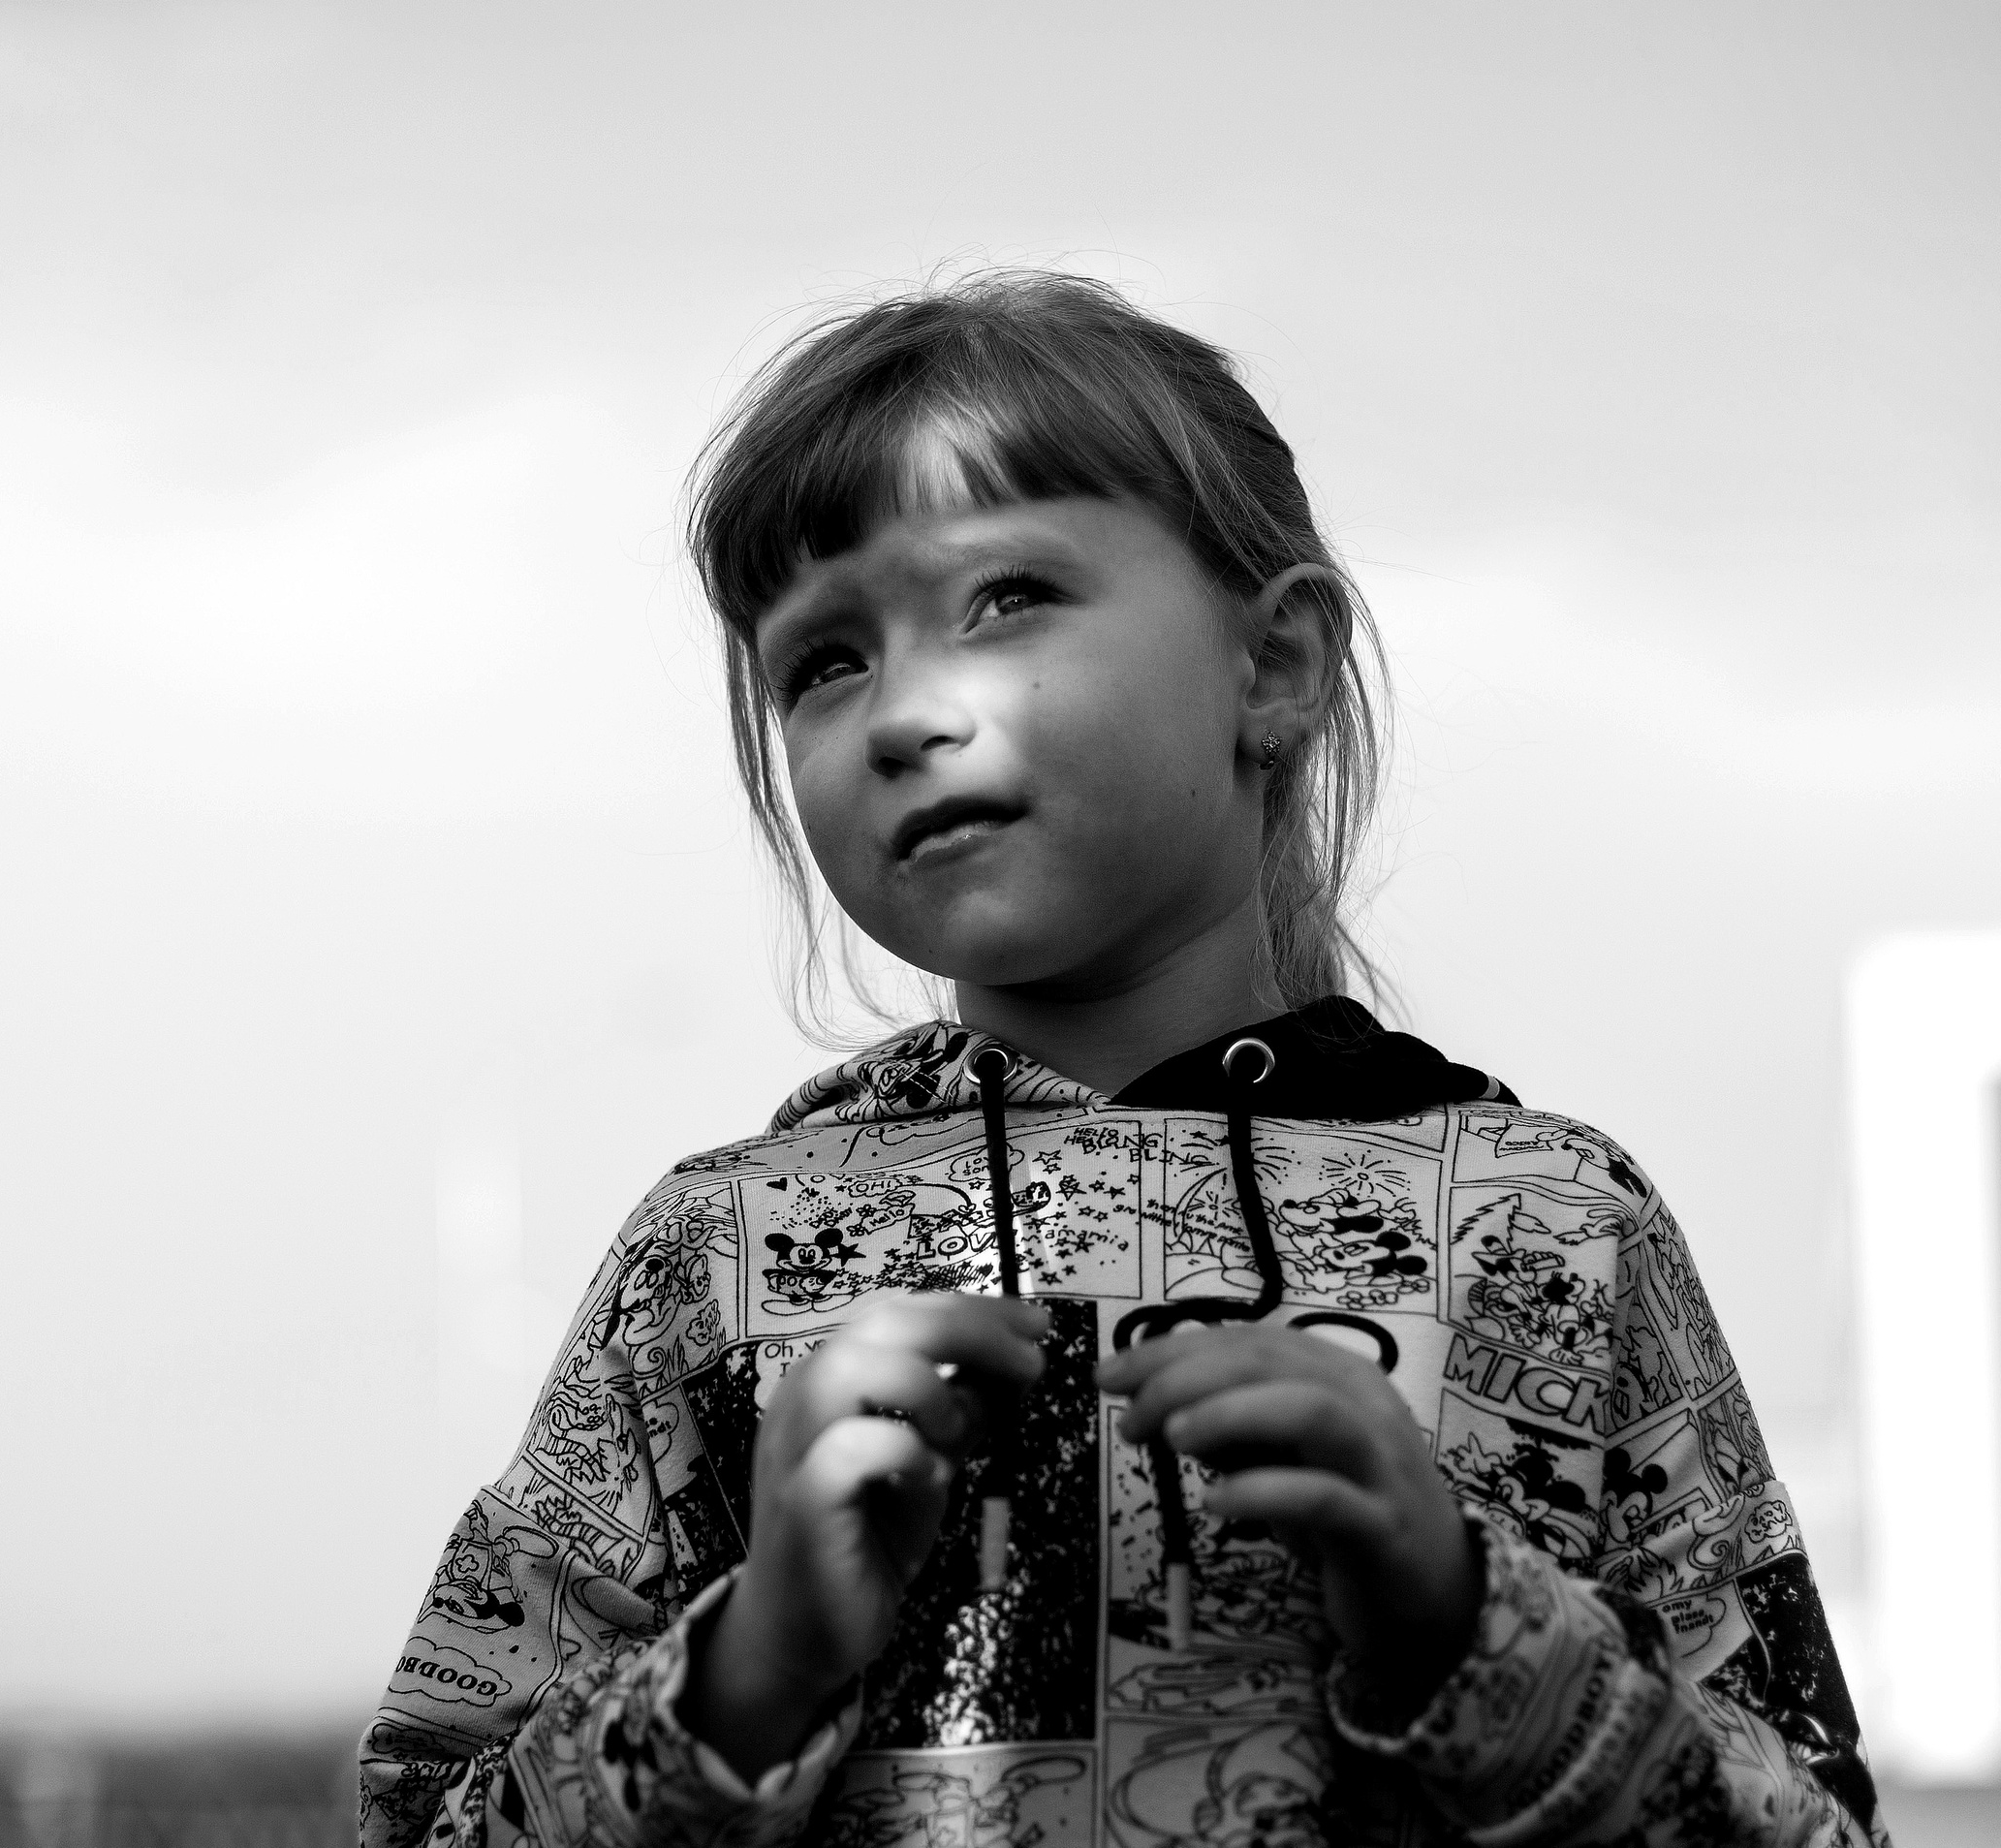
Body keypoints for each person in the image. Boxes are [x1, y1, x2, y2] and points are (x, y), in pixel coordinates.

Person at [359, 272, 1884, 1847]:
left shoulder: (1552, 1225)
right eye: (821, 660)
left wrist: (1467, 1620)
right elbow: (423, 1823)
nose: (901, 717)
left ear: (1275, 666)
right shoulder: (717, 1257)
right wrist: (753, 1664)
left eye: (1006, 595)